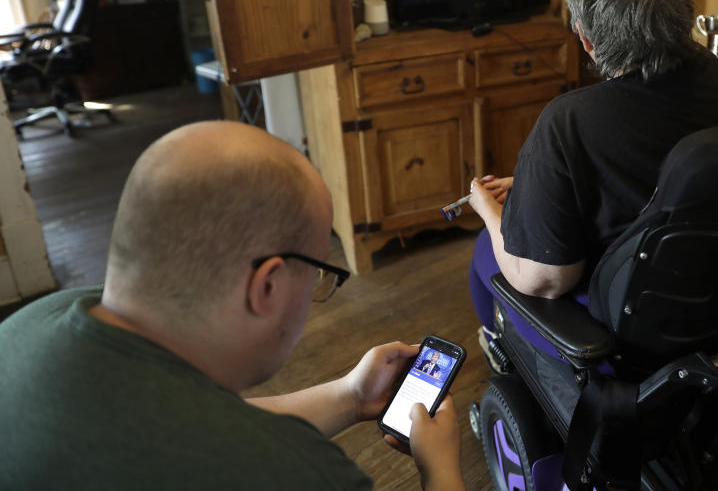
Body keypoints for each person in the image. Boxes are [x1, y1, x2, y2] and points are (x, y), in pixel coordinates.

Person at [0, 121, 466, 491]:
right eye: (321, 273)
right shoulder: (294, 475)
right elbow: (227, 444)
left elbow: (198, 428)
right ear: (268, 286)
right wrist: (441, 474)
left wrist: (351, 397)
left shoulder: (34, 322)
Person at [467, 0, 718, 335]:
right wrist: (542, 184)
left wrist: (487, 211)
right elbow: (651, 168)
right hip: (716, 289)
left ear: (585, 38)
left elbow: (546, 280)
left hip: (629, 321)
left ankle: (504, 349)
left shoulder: (568, 120)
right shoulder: (713, 75)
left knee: (487, 250)